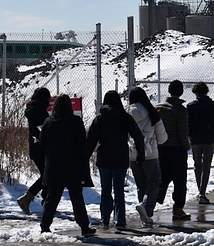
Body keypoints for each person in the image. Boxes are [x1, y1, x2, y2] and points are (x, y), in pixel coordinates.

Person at [86, 90, 145, 229]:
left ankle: (105, 218)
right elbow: (138, 136)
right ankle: (120, 220)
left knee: (105, 189)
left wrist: (85, 158)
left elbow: (90, 141)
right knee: (118, 189)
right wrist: (140, 154)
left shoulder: (100, 118)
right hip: (120, 157)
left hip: (104, 157)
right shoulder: (125, 117)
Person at [39, 94, 96, 236]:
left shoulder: (48, 122)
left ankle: (45, 226)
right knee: (77, 198)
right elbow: (82, 145)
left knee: (52, 198)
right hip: (73, 167)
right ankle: (84, 226)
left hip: (54, 167)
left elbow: (42, 144)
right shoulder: (76, 122)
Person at [128, 86, 168, 226]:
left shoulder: (127, 113)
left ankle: (145, 216)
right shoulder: (152, 113)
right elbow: (163, 138)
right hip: (150, 154)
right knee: (154, 182)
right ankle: (145, 208)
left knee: (141, 185)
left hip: (133, 154)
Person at [156, 80, 191, 220]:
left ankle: (153, 201)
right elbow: (183, 133)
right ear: (181, 92)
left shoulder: (158, 108)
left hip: (161, 148)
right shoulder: (181, 110)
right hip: (177, 150)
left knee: (162, 178)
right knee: (179, 180)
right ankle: (178, 208)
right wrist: (187, 147)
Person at [187, 81, 214, 205]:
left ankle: (200, 191)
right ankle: (203, 192)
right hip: (209, 139)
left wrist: (189, 134)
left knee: (197, 165)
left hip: (195, 140)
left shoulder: (191, 106)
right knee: (206, 165)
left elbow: (187, 123)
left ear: (195, 92)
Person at [17, 88, 51, 215]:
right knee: (47, 176)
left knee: (46, 175)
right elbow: (43, 131)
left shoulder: (32, 111)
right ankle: (29, 198)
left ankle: (44, 202)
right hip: (41, 148)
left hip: (35, 147)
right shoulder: (40, 113)